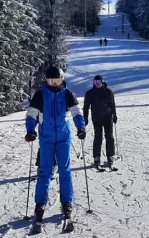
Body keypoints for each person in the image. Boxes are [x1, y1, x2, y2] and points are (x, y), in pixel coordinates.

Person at [25, 66, 87, 221]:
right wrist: (30, 130)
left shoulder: (67, 94)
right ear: (46, 80)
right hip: (46, 138)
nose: (54, 84)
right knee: (45, 171)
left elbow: (76, 112)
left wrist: (81, 127)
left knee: (65, 170)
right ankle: (39, 204)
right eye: (51, 81)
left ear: (62, 79)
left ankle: (66, 202)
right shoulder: (40, 95)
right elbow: (31, 114)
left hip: (63, 138)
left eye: (57, 80)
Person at [83, 74, 117, 170]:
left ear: (102, 82)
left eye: (98, 82)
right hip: (97, 118)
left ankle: (110, 156)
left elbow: (112, 104)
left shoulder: (108, 92)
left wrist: (114, 115)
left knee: (109, 137)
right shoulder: (90, 93)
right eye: (95, 82)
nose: (97, 84)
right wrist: (85, 118)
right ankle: (96, 157)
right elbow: (86, 107)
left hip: (107, 117)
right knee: (98, 137)